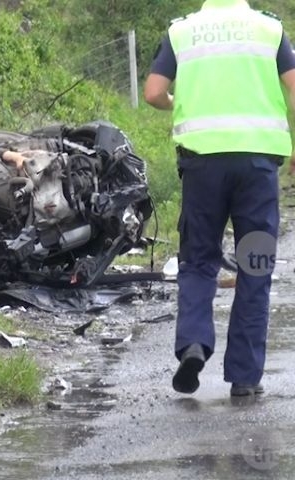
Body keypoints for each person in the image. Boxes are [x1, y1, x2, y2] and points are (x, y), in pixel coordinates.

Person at [144, 0, 295, 397]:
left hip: (202, 165)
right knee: (255, 263)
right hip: (258, 166)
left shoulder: (183, 31)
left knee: (197, 259)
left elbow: (154, 92)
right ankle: (245, 377)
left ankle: (194, 343)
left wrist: (176, 105)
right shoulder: (269, 30)